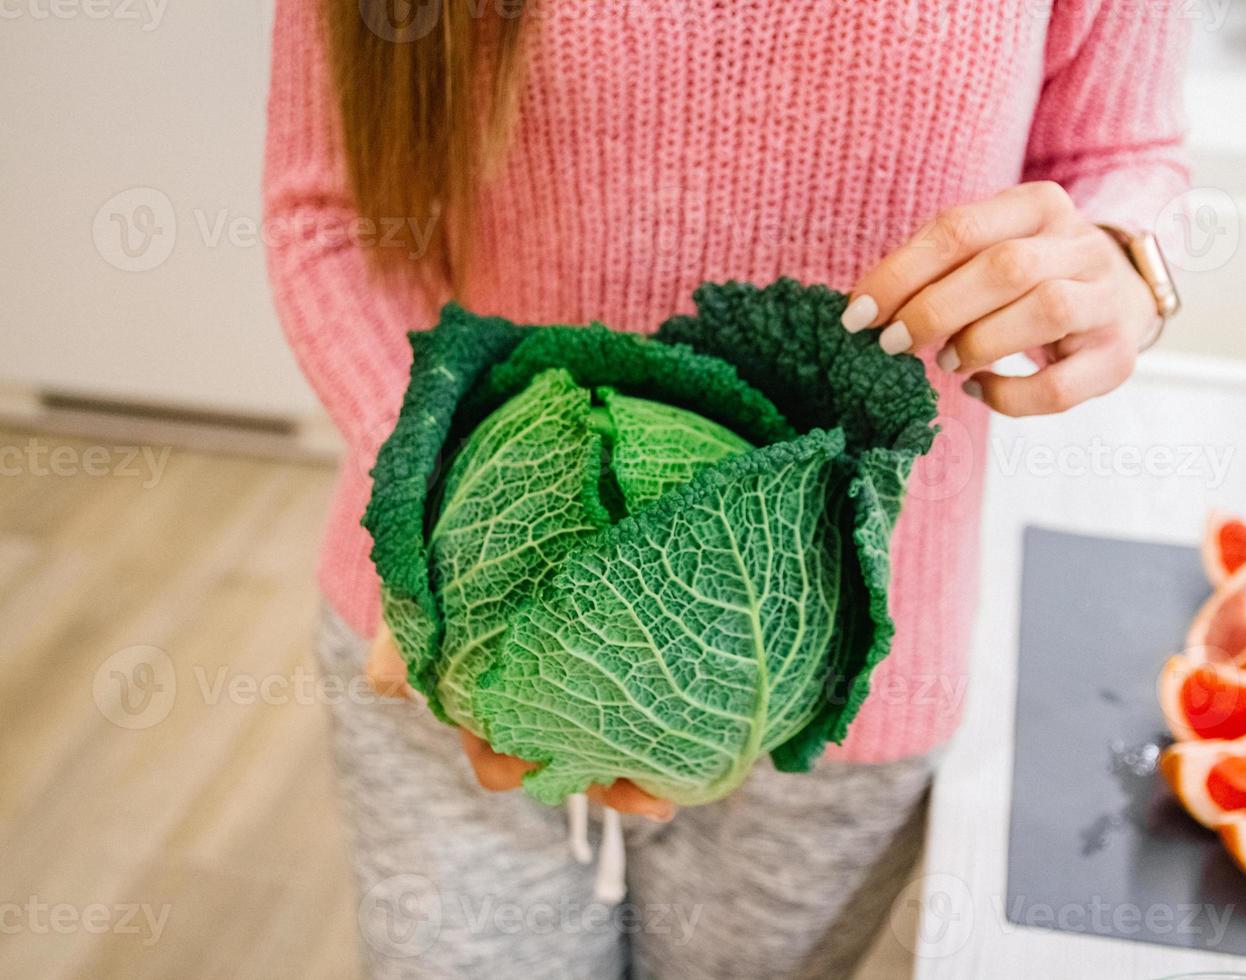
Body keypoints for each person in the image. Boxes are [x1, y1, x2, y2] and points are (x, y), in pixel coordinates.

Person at [263, 1, 1187, 976]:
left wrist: (1125, 262)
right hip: (457, 642)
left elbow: (1125, 149)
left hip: (845, 659)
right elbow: (324, 216)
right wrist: (431, 520)